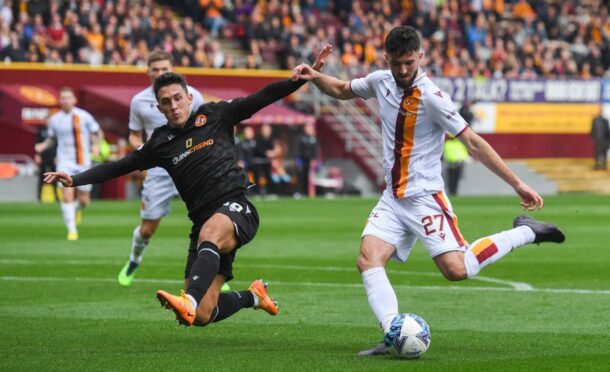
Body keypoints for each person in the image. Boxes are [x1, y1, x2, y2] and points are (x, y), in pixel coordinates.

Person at [292, 27, 565, 355]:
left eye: (409, 62)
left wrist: (517, 183)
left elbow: (473, 143)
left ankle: (525, 232)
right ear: (386, 59)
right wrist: (312, 76)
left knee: (457, 269)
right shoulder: (381, 80)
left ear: (420, 56)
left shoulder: (433, 97)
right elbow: (340, 90)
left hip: (424, 198)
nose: (403, 70)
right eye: (396, 63)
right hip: (393, 198)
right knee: (368, 260)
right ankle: (393, 333)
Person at [43, 45, 331, 328]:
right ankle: (253, 297)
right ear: (159, 108)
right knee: (205, 315)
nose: (174, 105)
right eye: (166, 102)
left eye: (178, 98)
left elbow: (262, 97)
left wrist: (302, 79)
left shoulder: (216, 115)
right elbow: (119, 166)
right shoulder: (159, 143)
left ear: (189, 96)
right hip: (203, 224)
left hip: (236, 208)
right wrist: (74, 179)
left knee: (206, 250)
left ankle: (188, 301)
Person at [117, 50, 206, 288]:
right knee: (147, 230)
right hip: (159, 171)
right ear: (147, 72)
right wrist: (143, 152)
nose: (159, 73)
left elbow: (206, 125)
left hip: (192, 163)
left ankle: (213, 271)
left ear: (172, 69)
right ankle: (135, 260)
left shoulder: (192, 95)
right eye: (154, 70)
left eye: (164, 69)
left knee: (211, 220)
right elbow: (134, 135)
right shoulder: (139, 101)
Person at [35, 87, 102, 240]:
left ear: (74, 100)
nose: (65, 101)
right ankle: (72, 230)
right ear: (60, 100)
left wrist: (96, 146)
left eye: (68, 98)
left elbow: (98, 132)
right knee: (66, 195)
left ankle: (77, 208)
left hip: (83, 161)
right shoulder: (55, 119)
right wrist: (43, 146)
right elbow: (51, 139)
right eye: (63, 98)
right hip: (64, 161)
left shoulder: (84, 116)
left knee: (84, 200)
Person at [34, 116, 57, 201]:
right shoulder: (40, 130)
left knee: (55, 177)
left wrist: (57, 156)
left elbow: (57, 145)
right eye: (47, 120)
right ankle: (39, 197)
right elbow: (37, 143)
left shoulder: (55, 131)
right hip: (43, 157)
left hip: (52, 157)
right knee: (41, 177)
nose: (48, 122)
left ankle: (56, 197)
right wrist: (37, 155)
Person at [296, 123, 319, 197]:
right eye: (307, 128)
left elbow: (316, 151)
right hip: (303, 161)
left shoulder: (314, 139)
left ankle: (311, 192)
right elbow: (299, 150)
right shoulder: (302, 138)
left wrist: (314, 159)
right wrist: (298, 160)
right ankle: (301, 192)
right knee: (302, 176)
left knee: (311, 177)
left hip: (311, 161)